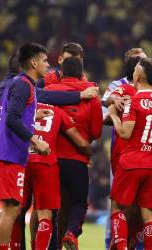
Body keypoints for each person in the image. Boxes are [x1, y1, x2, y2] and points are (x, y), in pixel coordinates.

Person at [0, 43, 51, 250]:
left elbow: (6, 112)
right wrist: (36, 140)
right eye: (45, 60)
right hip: (8, 153)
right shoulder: (24, 85)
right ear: (33, 62)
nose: (48, 65)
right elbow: (12, 119)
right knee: (12, 209)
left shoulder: (18, 82)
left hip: (6, 152)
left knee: (12, 207)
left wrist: (32, 114)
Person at [108, 58, 152, 250]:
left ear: (139, 75)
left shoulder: (135, 101)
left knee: (118, 208)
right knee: (149, 215)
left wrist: (115, 116)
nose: (133, 73)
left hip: (131, 161)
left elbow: (125, 132)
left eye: (135, 70)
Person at [45, 57, 103, 249]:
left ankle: (51, 245)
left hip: (50, 157)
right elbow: (96, 131)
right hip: (77, 158)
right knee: (78, 203)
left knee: (50, 208)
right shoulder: (91, 94)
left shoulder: (49, 91)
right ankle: (71, 232)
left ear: (61, 73)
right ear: (81, 73)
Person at [23, 103, 91, 250]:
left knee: (14, 211)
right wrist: (88, 153)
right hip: (46, 161)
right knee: (45, 215)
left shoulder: (25, 107)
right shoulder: (57, 111)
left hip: (23, 160)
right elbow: (80, 141)